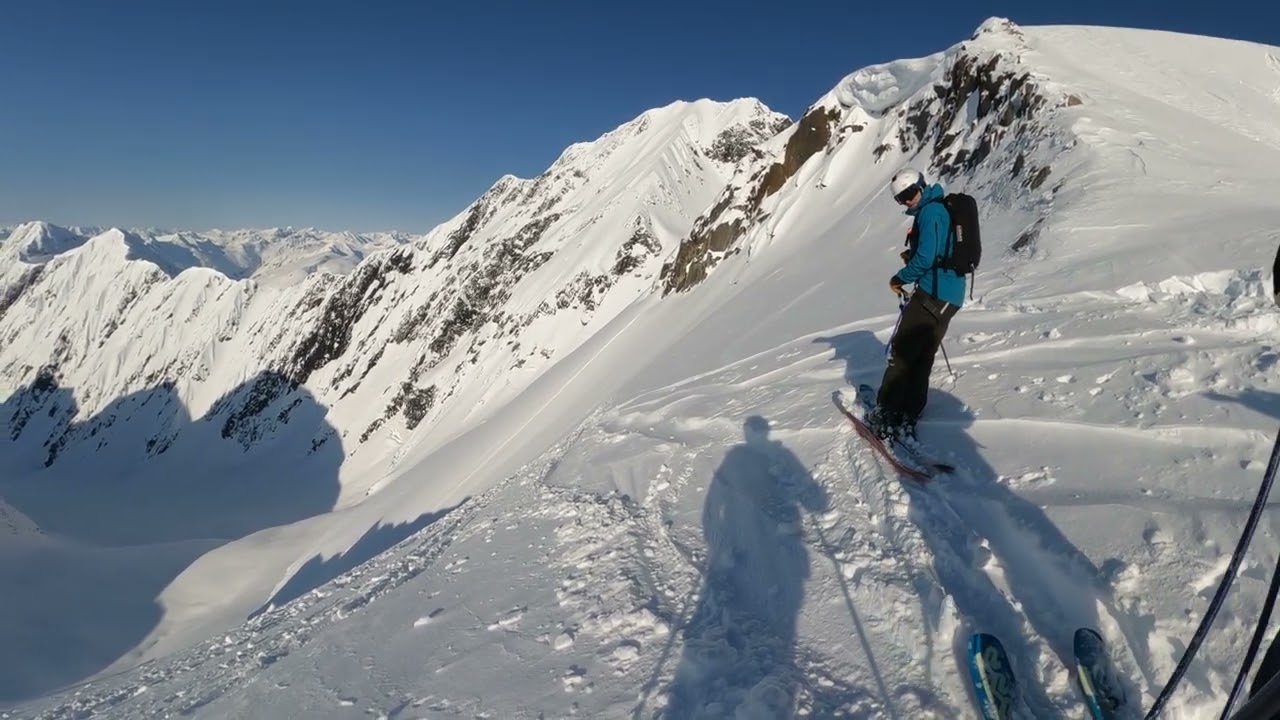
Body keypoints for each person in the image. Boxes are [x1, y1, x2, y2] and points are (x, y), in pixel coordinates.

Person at [868, 167, 966, 442]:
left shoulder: (931, 211)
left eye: (910, 193)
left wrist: (899, 277)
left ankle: (886, 415)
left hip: (934, 294)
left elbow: (927, 258)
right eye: (901, 198)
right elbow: (935, 251)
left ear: (922, 186)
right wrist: (914, 255)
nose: (908, 200)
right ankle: (909, 411)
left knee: (902, 354)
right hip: (948, 295)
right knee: (922, 355)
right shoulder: (936, 209)